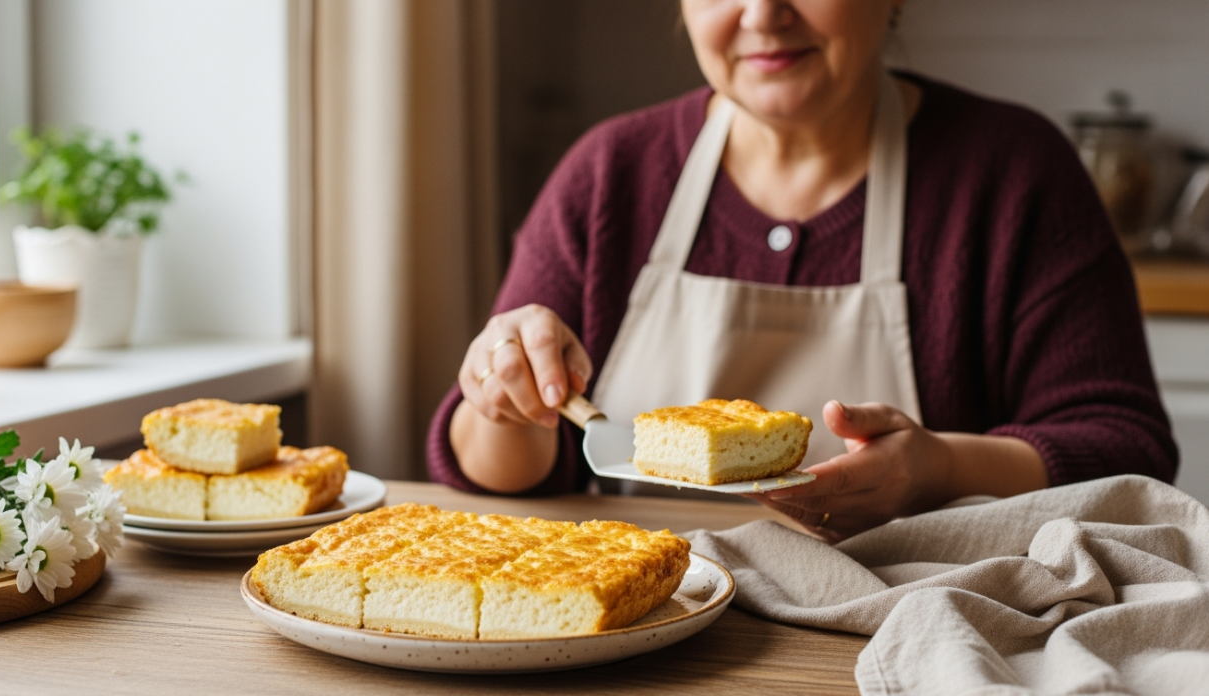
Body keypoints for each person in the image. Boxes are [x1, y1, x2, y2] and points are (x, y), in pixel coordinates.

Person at [426, 0, 1178, 540]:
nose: (762, 13)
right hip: (650, 633)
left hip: (914, 634)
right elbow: (508, 472)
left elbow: (1126, 450)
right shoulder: (609, 172)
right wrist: (504, 402)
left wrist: (937, 469)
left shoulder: (1014, 173)